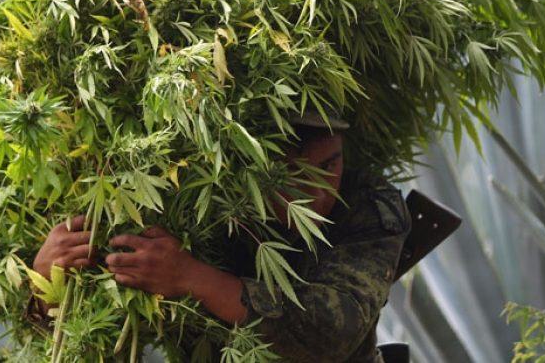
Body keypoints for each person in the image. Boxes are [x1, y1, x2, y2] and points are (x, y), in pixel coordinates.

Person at [30, 113, 411, 362]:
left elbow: (331, 333)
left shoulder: (366, 205)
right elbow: (89, 337)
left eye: (330, 165)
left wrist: (191, 278)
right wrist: (47, 284)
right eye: (290, 177)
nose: (317, 193)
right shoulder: (185, 207)